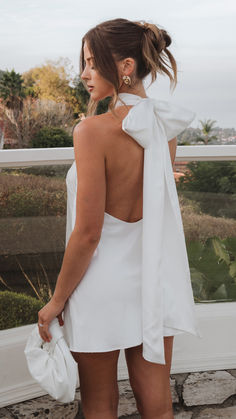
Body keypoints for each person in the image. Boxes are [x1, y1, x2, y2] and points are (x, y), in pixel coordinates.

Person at [37, 18, 201, 419]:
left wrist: (56, 301)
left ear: (126, 66)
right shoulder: (164, 128)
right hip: (152, 284)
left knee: (99, 405)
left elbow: (89, 233)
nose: (84, 73)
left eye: (92, 63)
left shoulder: (91, 131)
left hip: (101, 289)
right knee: (158, 406)